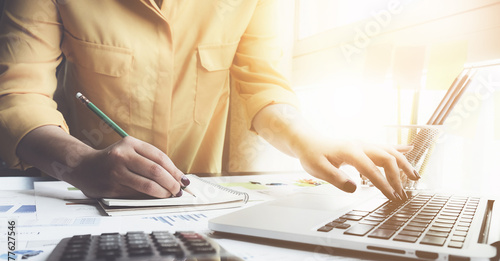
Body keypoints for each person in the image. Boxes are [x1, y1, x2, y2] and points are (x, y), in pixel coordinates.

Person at [0, 0, 419, 201]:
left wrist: (312, 140)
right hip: (86, 199)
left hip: (200, 202)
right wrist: (82, 163)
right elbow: (18, 96)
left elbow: (262, 85)